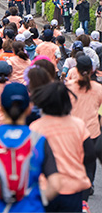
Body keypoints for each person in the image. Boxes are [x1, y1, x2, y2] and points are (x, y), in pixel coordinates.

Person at [0, 83, 61, 212]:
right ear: (29, 108)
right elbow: (55, 184)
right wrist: (40, 200)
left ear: (1, 107)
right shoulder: (39, 140)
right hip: (31, 208)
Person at [30, 82, 95, 212]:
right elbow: (90, 156)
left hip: (46, 189)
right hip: (73, 189)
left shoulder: (36, 127)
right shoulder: (79, 125)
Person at [65, 54, 102, 196]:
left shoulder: (68, 87)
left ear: (77, 70)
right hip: (92, 131)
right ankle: (89, 183)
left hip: (72, 130)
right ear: (92, 70)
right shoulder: (98, 88)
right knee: (90, 160)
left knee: (73, 159)